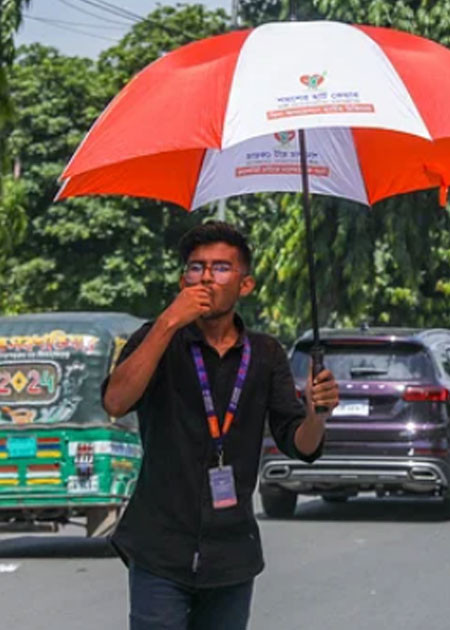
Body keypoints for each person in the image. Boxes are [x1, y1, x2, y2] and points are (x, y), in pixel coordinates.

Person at [101, 222, 340, 630]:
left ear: (245, 285)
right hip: (159, 546)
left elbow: (299, 443)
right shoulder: (159, 338)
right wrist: (166, 323)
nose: (207, 277)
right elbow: (116, 401)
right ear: (182, 280)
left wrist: (317, 413)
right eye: (196, 268)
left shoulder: (264, 353)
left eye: (221, 268)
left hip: (232, 551)